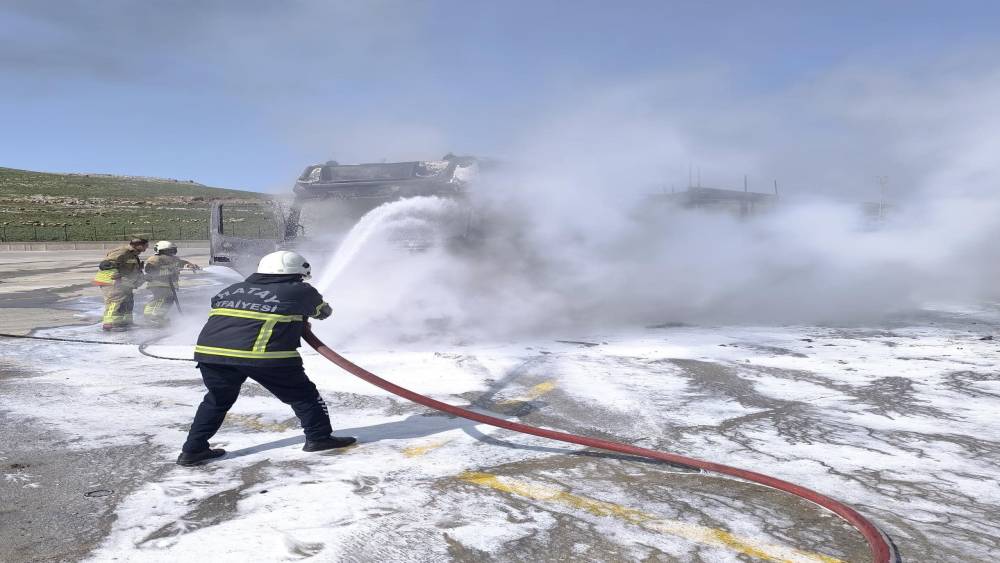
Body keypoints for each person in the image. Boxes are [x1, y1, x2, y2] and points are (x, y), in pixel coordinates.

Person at [177, 250, 356, 466]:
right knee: (303, 396)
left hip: (211, 354)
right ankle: (319, 438)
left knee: (216, 400)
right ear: (297, 273)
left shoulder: (233, 289)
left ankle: (193, 450)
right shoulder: (300, 289)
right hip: (264, 354)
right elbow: (323, 312)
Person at [93, 237, 148, 331]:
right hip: (112, 281)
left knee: (128, 301)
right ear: (139, 245)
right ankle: (109, 323)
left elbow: (132, 270)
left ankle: (125, 322)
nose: (146, 248)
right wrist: (117, 277)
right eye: (145, 246)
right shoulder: (123, 252)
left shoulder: (133, 255)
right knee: (115, 301)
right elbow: (106, 264)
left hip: (124, 282)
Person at [143, 240, 201, 327]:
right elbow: (150, 271)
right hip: (158, 284)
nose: (172, 252)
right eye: (169, 250)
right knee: (161, 300)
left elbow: (182, 263)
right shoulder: (155, 259)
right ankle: (153, 317)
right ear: (161, 250)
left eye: (173, 250)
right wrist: (169, 271)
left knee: (168, 301)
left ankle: (157, 316)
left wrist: (190, 265)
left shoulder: (174, 259)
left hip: (169, 285)